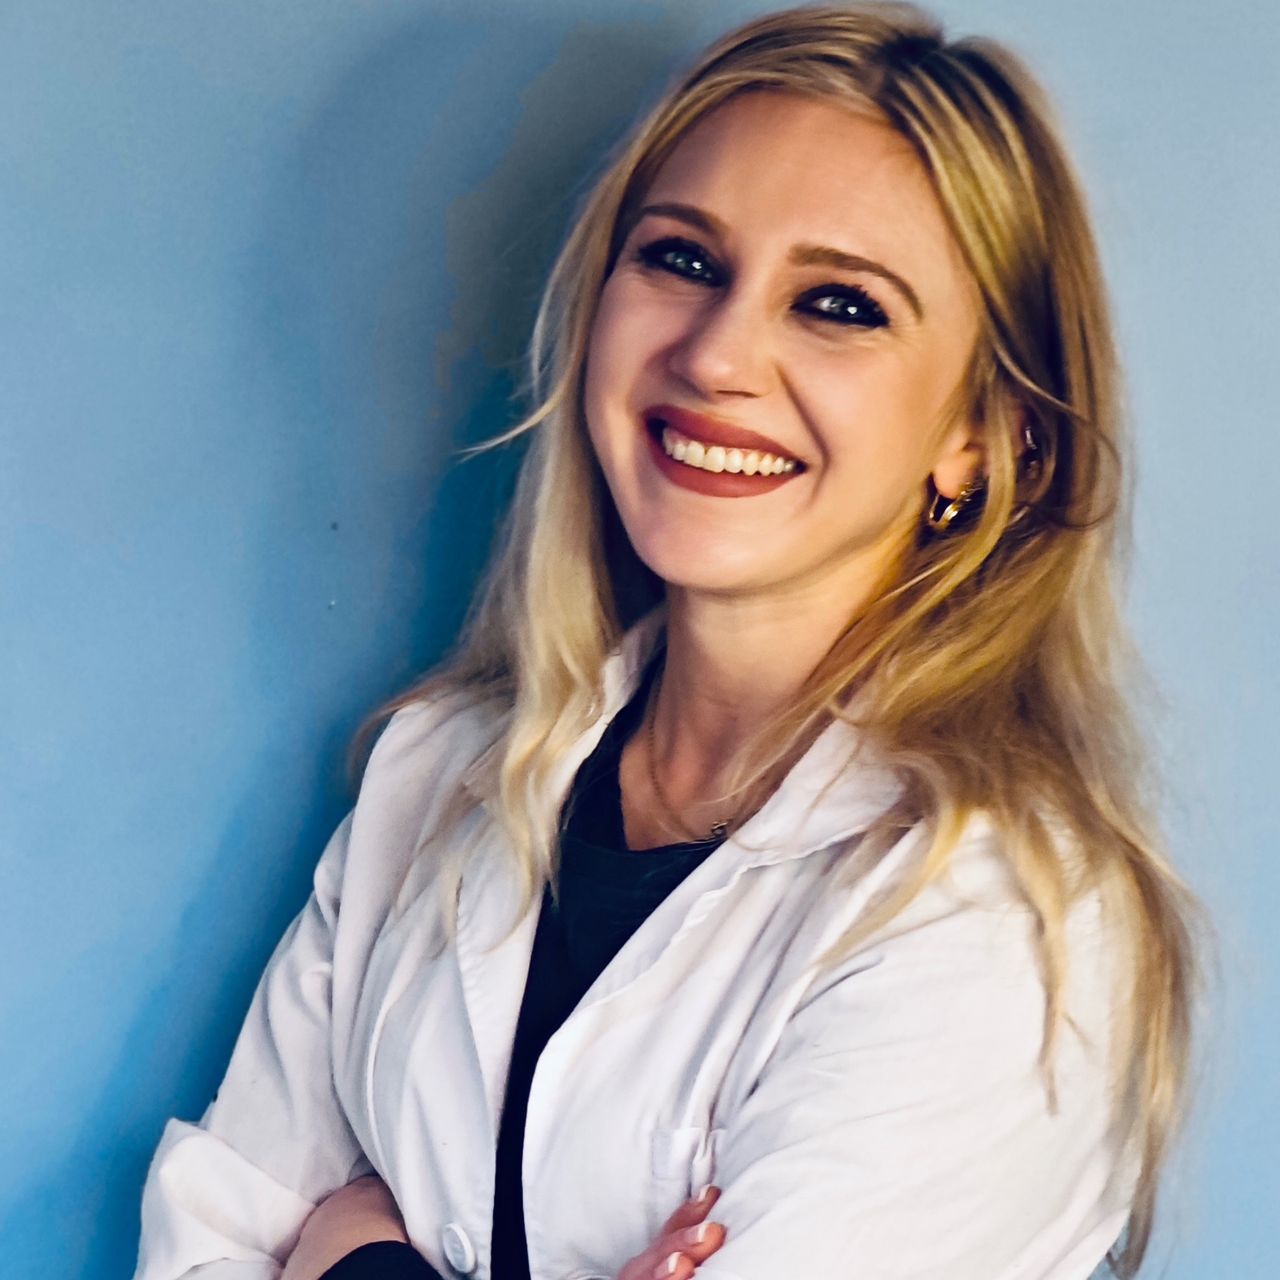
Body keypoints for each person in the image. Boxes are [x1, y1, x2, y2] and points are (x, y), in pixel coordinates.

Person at [131, 4, 1211, 1279]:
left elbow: (279, 1234)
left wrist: (348, 1253)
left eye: (838, 304)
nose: (716, 354)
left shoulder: (1005, 924)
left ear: (981, 438)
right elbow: (206, 1235)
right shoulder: (432, 772)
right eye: (683, 260)